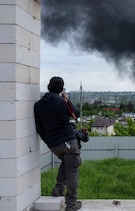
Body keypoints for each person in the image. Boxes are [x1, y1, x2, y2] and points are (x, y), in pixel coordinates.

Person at [34, 76, 82, 211]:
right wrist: (66, 98)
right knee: (73, 169)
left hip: (54, 145)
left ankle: (58, 189)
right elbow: (76, 115)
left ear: (48, 87)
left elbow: (39, 128)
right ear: (61, 89)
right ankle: (71, 204)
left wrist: (49, 141)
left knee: (67, 162)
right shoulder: (62, 102)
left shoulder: (38, 105)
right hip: (68, 141)